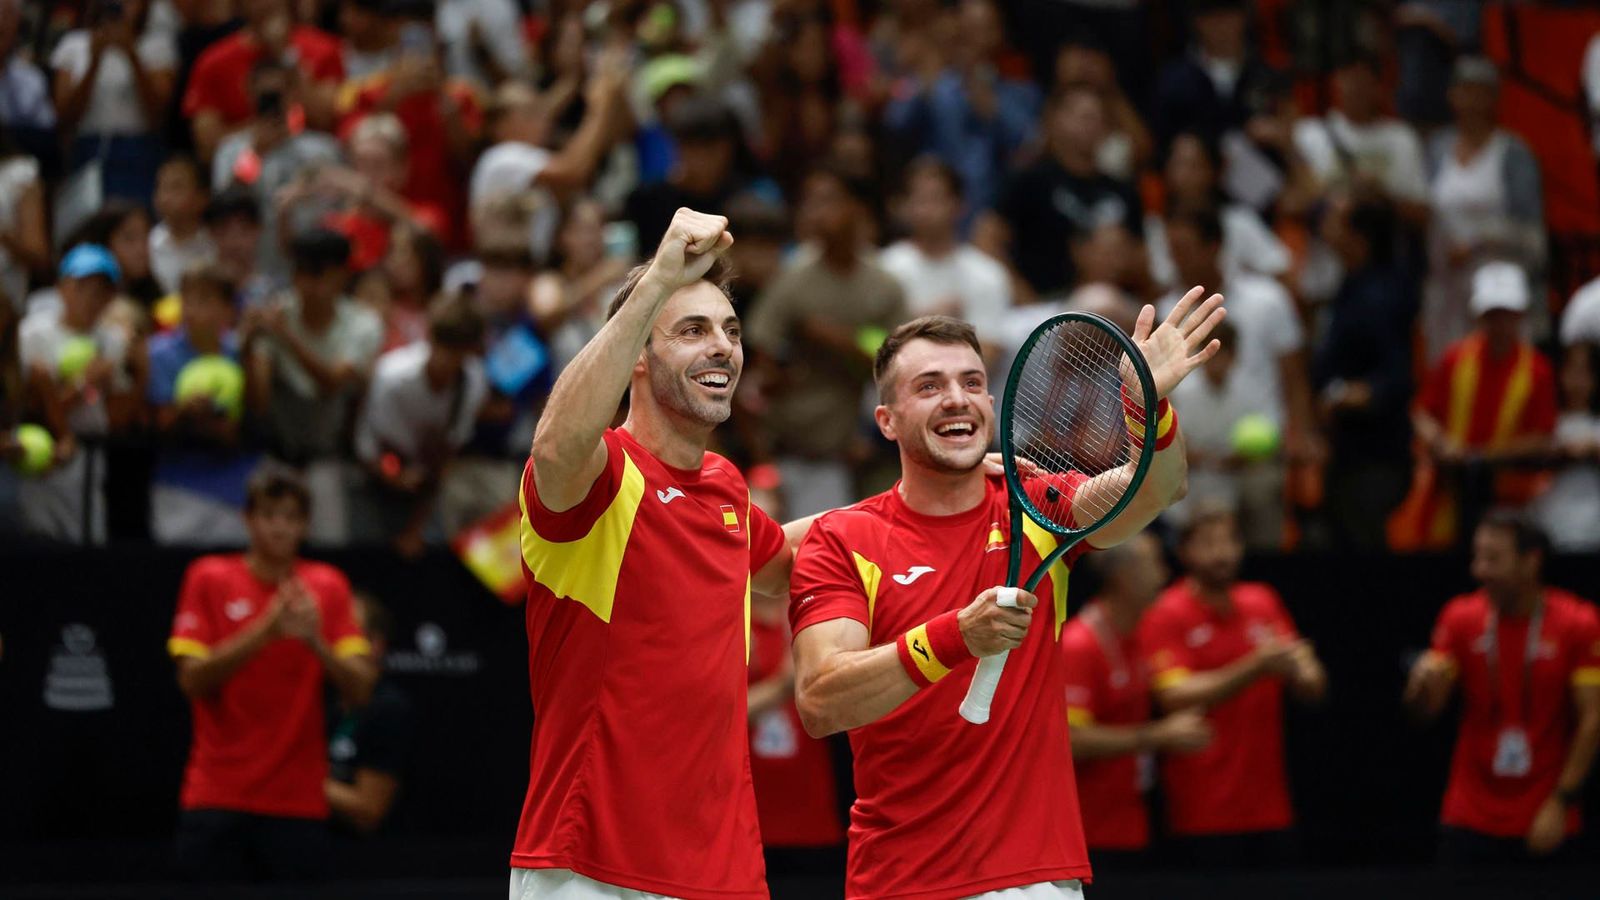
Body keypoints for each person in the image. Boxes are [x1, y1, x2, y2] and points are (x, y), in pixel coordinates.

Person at [788, 295, 1226, 898]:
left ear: (991, 404)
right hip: (900, 878)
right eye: (929, 386)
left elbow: (1155, 490)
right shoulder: (843, 539)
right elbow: (821, 700)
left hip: (1033, 877)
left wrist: (1146, 405)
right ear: (886, 420)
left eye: (971, 382)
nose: (957, 398)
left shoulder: (1037, 505)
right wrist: (956, 637)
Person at [511, 209, 801, 899]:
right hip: (591, 866)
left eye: (731, 331)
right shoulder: (604, 475)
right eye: (693, 330)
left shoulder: (725, 487)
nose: (723, 348)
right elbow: (555, 447)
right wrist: (657, 279)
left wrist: (931, 494)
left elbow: (794, 556)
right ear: (637, 354)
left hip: (722, 870)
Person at [168, 468, 376, 881]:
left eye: (291, 517)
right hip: (216, 796)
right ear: (247, 519)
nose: (280, 527)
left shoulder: (328, 586)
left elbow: (362, 690)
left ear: (305, 525)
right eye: (269, 515)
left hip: (296, 803)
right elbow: (191, 681)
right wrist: (266, 631)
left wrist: (315, 640)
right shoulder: (208, 577)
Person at [1404, 512, 1600, 865]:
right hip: (1468, 815)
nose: (1480, 570)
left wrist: (1561, 800)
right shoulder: (1460, 617)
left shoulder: (1578, 622)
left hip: (1546, 812)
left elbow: (1593, 719)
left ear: (1531, 562)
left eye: (1493, 559)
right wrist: (1419, 687)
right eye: (1477, 557)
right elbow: (1425, 713)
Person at [1139, 506, 1326, 866]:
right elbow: (1173, 696)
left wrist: (1306, 672)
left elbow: (1308, 677)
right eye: (1208, 543)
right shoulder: (1166, 611)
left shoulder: (1262, 600)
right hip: (1203, 808)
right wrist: (1256, 667)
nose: (1221, 553)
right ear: (1184, 552)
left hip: (1269, 805)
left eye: (1229, 542)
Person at [747, 164, 907, 518]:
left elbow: (898, 360)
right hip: (794, 451)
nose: (817, 213)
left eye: (828, 201)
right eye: (810, 202)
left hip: (868, 449)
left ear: (857, 209)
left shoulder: (883, 286)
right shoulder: (792, 280)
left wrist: (843, 340)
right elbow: (760, 359)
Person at [1062, 532, 1212, 862]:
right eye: (1154, 564)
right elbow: (1070, 739)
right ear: (1122, 575)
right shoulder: (1080, 644)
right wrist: (1156, 736)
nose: (1164, 574)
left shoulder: (1139, 634)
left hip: (1132, 823)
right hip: (1089, 834)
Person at [1395, 262, 1557, 550]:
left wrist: (1483, 455)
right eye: (1492, 315)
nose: (1499, 324)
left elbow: (1543, 437)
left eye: (1506, 315)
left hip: (1510, 498)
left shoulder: (1537, 370)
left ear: (1520, 316)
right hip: (1450, 494)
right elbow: (1422, 412)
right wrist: (1441, 442)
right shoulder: (1455, 358)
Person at [244, 228, 383, 545]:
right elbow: (259, 402)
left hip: (327, 458)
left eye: (319, 274)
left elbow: (331, 384)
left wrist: (286, 338)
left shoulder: (362, 323)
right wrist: (247, 348)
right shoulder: (276, 313)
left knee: (329, 547)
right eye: (301, 272)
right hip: (277, 454)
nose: (309, 284)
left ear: (341, 276)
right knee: (266, 547)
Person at [1422, 57, 1546, 363]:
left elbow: (1534, 239)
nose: (1472, 102)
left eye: (1481, 92)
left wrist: (1478, 241)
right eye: (1465, 91)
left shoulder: (1514, 154)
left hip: (1500, 295)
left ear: (1494, 98)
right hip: (1449, 297)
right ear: (1451, 95)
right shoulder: (1436, 150)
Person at [1312, 190, 1415, 549]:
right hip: (1346, 449)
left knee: (1364, 550)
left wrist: (1354, 394)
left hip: (1377, 457)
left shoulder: (1382, 295)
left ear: (1359, 237)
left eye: (1335, 220)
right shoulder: (1351, 283)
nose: (1325, 225)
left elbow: (1398, 375)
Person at [18, 244, 139, 544]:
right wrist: (85, 384)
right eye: (82, 286)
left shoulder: (113, 342)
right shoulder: (32, 335)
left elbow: (118, 417)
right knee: (35, 543)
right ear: (62, 287)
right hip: (40, 458)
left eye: (102, 290)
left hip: (90, 459)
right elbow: (32, 408)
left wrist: (138, 372)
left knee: (87, 542)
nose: (91, 297)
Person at [980, 83, 1144, 299]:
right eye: (1083, 116)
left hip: (1112, 305)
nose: (1091, 125)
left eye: (1099, 118)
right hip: (1043, 305)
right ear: (1055, 120)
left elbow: (1142, 260)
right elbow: (985, 240)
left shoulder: (1123, 189)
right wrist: (1023, 296)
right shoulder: (1029, 181)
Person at [352, 294, 487, 554]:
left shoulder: (473, 382)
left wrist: (417, 525)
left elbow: (448, 453)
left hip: (427, 485)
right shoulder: (391, 376)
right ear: (430, 337)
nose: (446, 359)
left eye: (457, 352)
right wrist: (394, 476)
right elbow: (367, 445)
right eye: (442, 346)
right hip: (376, 475)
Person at [146, 262, 259, 546]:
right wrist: (186, 411)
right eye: (187, 300)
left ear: (229, 310)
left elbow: (254, 414)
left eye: (205, 300)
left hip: (237, 488)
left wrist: (250, 353)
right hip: (179, 487)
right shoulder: (159, 354)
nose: (192, 310)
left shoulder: (241, 352)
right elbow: (161, 423)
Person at [878, 157, 1012, 357]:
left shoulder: (987, 273)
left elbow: (989, 350)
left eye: (935, 198)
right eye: (919, 199)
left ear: (959, 205)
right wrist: (930, 323)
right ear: (906, 206)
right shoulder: (884, 267)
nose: (927, 209)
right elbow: (870, 342)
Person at [183, 0, 344, 164]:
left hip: (312, 161)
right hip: (247, 163)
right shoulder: (213, 63)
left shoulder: (324, 49)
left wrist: (285, 53)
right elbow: (207, 148)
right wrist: (257, 134)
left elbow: (327, 120)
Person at [50, 0, 176, 207]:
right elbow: (64, 116)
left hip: (138, 150)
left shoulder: (156, 45)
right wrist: (94, 61)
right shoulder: (74, 44)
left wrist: (132, 54)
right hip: (88, 149)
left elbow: (158, 115)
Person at [326, 591, 413, 835]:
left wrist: (293, 780)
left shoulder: (389, 708)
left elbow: (369, 810)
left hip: (367, 851)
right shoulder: (320, 697)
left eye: (348, 636)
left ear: (376, 644)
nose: (335, 644)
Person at [1528, 344, 1600, 552]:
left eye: (1585, 372)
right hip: (1547, 518)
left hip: (1591, 524)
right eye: (1571, 371)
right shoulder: (1547, 422)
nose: (1577, 381)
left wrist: (1591, 449)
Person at [149, 154, 217, 299]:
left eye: (176, 187)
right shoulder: (147, 245)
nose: (165, 197)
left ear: (202, 197)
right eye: (161, 187)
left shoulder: (217, 245)